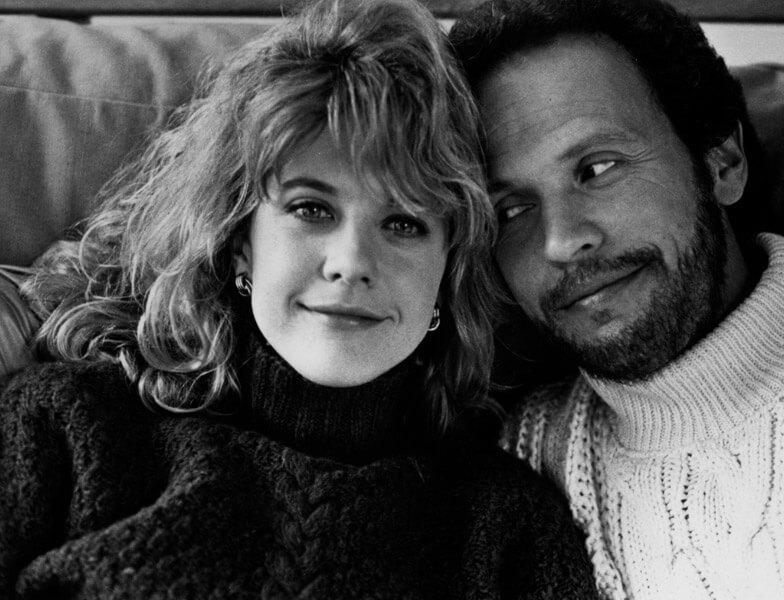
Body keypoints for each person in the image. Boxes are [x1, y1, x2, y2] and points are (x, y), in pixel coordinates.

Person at [0, 0, 599, 597]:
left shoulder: (509, 526)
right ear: (239, 242)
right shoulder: (64, 425)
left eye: (404, 223)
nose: (351, 263)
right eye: (312, 209)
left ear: (448, 272)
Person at [449, 0, 784, 598]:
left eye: (597, 168)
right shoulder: (521, 464)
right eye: (511, 209)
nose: (560, 242)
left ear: (722, 163)